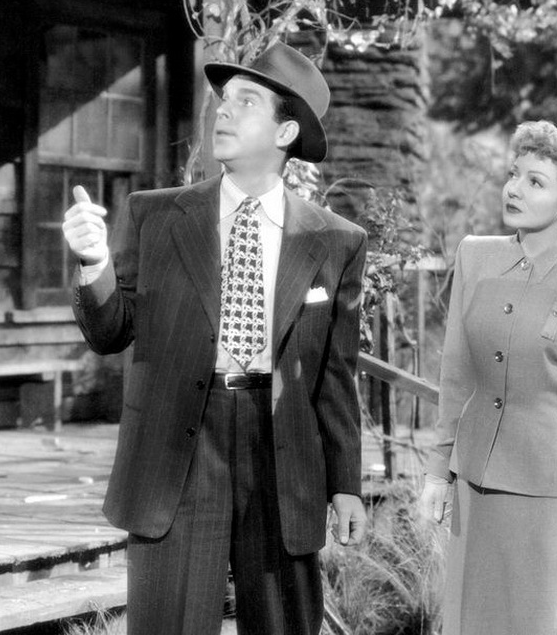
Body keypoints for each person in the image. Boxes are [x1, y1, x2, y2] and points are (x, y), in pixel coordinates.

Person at [62, 42, 369, 635]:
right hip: (179, 448)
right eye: (224, 99)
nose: (223, 110)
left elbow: (334, 376)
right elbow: (110, 333)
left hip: (283, 454)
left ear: (285, 132)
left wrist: (346, 485)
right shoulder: (156, 216)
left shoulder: (336, 241)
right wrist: (94, 264)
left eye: (246, 101)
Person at [419, 119, 557, 633]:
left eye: (535, 181)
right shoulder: (475, 254)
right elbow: (456, 373)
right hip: (472, 485)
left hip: (551, 495)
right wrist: (437, 469)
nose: (513, 188)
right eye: (513, 174)